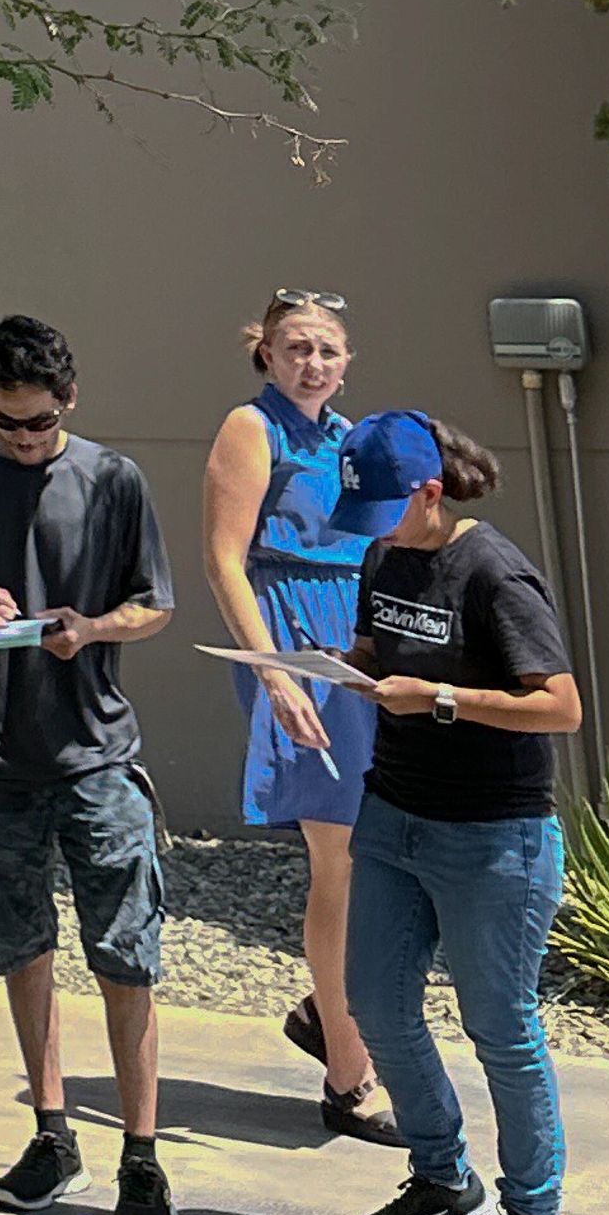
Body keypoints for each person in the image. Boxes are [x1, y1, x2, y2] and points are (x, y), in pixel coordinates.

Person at [0, 313, 177, 1215]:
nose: (22, 441)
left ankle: (142, 1156)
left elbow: (154, 605)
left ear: (69, 402)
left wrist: (91, 630)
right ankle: (53, 1134)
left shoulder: (113, 480)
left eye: (38, 425)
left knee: (124, 954)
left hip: (95, 755)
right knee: (21, 949)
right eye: (5, 423)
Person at [342, 421, 587, 1215]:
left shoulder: (495, 573)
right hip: (393, 814)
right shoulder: (384, 559)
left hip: (495, 836)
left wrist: (439, 697)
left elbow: (560, 708)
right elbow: (377, 651)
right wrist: (339, 666)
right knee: (373, 1000)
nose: (370, 527)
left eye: (383, 508)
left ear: (430, 494)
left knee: (501, 1029)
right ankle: (445, 1182)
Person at [197, 293, 428, 1138]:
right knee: (344, 854)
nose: (313, 363)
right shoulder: (250, 430)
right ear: (265, 352)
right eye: (297, 347)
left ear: (348, 358)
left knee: (379, 849)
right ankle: (347, 1072)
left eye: (328, 349)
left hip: (357, 645)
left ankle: (329, 1015)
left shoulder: (352, 438)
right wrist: (273, 677)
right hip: (290, 639)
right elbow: (224, 559)